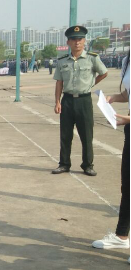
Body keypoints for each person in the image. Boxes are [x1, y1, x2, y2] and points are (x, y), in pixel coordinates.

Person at [53, 25, 108, 177]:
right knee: (65, 134)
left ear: (84, 41)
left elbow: (104, 73)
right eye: (73, 39)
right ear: (68, 42)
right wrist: (57, 102)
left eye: (80, 39)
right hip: (67, 100)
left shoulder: (92, 58)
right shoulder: (62, 61)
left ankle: (88, 165)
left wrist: (91, 84)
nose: (77, 42)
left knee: (86, 135)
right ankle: (64, 164)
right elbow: (59, 82)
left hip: (84, 101)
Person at [92, 50, 130, 252]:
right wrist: (113, 98)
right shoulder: (126, 61)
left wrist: (127, 119)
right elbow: (128, 94)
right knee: (128, 186)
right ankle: (122, 236)